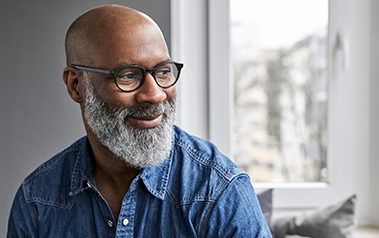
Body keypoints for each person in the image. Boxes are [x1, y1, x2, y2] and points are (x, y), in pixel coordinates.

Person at [7, 4, 272, 238]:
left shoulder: (219, 191)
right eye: (128, 75)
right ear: (76, 85)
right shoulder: (37, 201)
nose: (155, 94)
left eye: (163, 71)